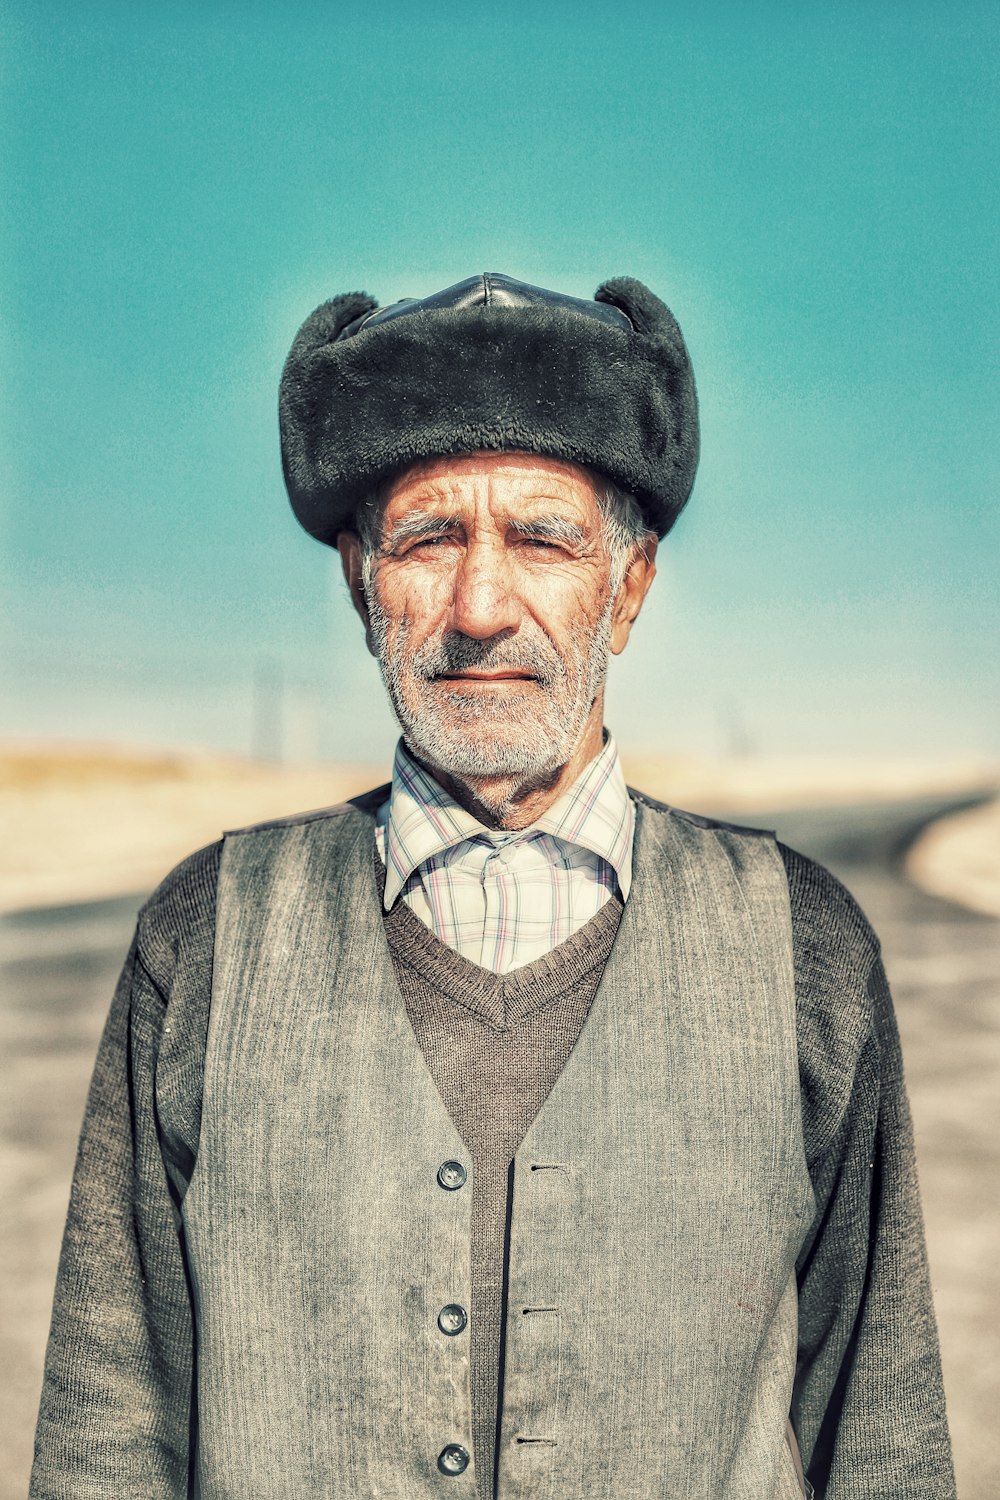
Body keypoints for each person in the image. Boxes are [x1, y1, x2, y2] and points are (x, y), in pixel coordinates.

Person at [30, 273, 956, 1500]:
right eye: (426, 539)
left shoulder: (803, 948)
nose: (478, 607)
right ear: (360, 584)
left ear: (627, 587)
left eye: (541, 538)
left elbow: (881, 1438)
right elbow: (106, 1430)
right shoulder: (203, 940)